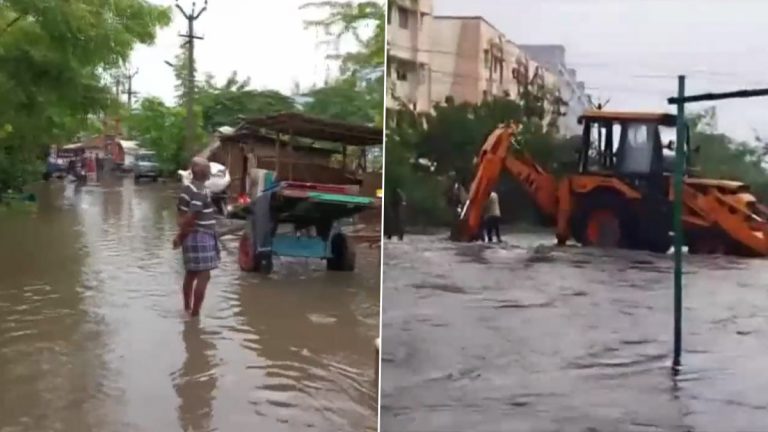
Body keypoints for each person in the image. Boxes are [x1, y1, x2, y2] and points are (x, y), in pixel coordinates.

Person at [173, 157, 220, 317]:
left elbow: (182, 214)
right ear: (202, 172)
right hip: (201, 236)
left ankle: (186, 308)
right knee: (204, 275)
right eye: (208, 169)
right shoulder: (200, 191)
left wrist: (181, 236)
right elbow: (192, 216)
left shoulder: (187, 189)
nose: (210, 173)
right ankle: (195, 314)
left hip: (190, 237)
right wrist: (180, 234)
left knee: (191, 273)